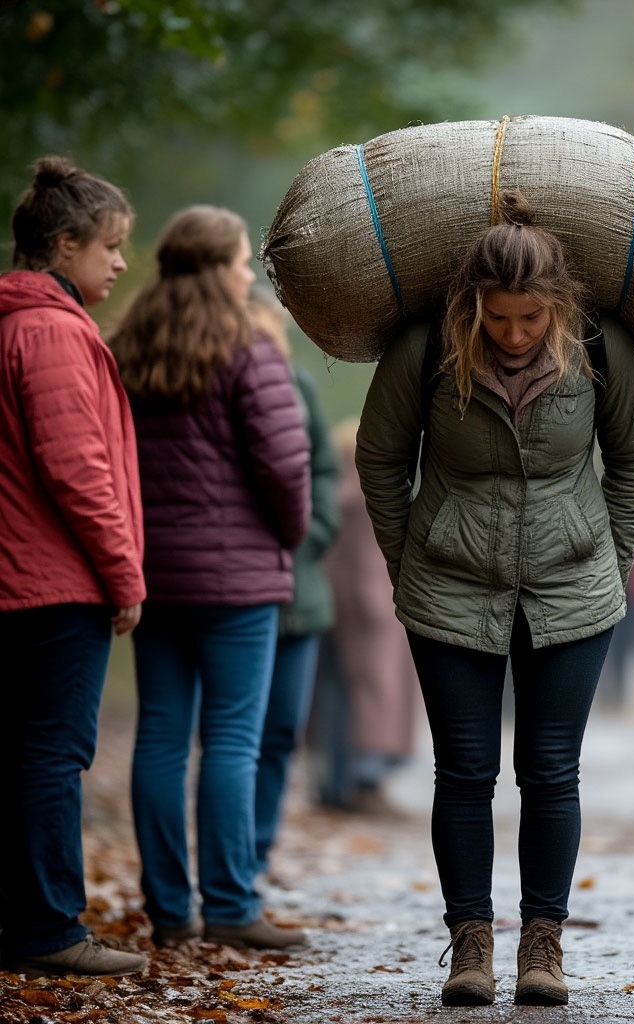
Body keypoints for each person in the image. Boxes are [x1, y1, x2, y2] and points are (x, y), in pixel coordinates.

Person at [354, 189, 634, 1007]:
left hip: (574, 592)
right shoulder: (427, 347)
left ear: (557, 306)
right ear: (473, 303)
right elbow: (381, 458)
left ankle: (543, 947)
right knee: (463, 772)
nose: (515, 334)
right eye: (498, 319)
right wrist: (407, 557)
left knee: (552, 772)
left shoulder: (601, 347)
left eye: (530, 320)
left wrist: (613, 560)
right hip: (450, 590)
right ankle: (470, 946)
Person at [108, 206, 311, 951]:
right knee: (231, 738)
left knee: (161, 734)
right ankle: (229, 903)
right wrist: (286, 535)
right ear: (216, 267)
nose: (247, 275)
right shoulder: (247, 344)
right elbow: (285, 462)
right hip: (237, 580)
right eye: (239, 262)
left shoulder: (127, 344)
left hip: (153, 573)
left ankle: (168, 910)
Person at [0, 156, 147, 978]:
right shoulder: (51, 331)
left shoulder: (18, 321)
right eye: (112, 246)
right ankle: (50, 929)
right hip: (53, 584)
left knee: (25, 753)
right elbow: (77, 469)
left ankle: (28, 921)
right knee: (52, 756)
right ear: (64, 244)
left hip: (22, 576)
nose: (121, 262)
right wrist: (123, 574)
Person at [247, 284, 339, 879]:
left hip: (300, 590)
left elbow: (324, 470)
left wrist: (314, 532)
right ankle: (229, 860)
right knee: (234, 735)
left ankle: (257, 849)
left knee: (281, 730)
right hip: (236, 585)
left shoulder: (300, 386)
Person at [313, 418, 420, 814]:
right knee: (372, 697)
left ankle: (334, 783)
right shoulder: (364, 496)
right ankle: (363, 780)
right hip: (371, 607)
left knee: (335, 694)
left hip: (332, 606)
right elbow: (365, 560)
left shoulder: (332, 493)